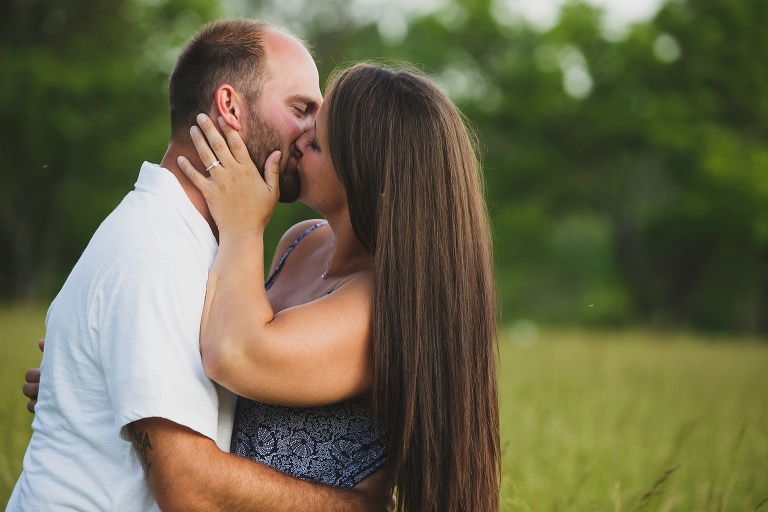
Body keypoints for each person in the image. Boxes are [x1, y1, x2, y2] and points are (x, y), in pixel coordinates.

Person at [8, 18, 387, 511]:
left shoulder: (199, 248)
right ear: (230, 106)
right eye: (300, 108)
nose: (313, 130)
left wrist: (90, 382)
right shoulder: (159, 255)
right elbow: (190, 491)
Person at [176, 62, 501, 511]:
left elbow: (233, 354)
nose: (297, 142)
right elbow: (212, 338)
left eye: (315, 143)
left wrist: (242, 227)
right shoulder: (302, 242)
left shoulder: (379, 306)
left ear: (362, 173)